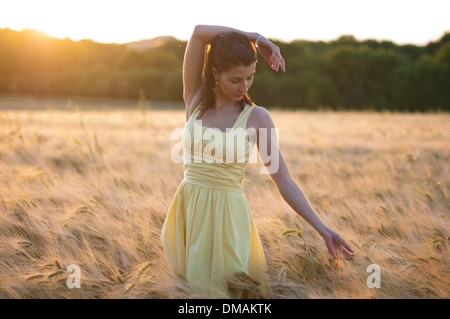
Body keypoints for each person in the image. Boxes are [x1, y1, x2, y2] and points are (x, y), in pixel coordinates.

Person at [160, 24, 354, 299]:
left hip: (228, 221)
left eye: (250, 77)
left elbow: (284, 181)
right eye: (236, 79)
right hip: (188, 215)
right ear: (215, 73)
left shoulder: (258, 118)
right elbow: (199, 33)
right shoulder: (196, 98)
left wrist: (322, 229)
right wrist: (255, 37)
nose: (245, 86)